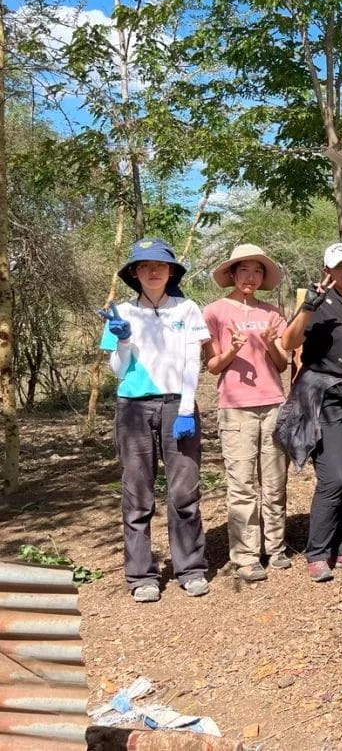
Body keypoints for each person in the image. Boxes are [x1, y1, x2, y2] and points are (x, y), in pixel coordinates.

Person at [98, 238, 211, 602]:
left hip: (179, 405)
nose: (152, 271)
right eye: (144, 266)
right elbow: (118, 372)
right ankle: (141, 576)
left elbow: (194, 362)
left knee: (184, 491)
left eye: (159, 265)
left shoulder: (188, 309)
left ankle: (191, 568)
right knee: (137, 493)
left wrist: (185, 410)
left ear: (170, 271)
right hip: (133, 408)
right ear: (134, 272)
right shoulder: (122, 313)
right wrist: (124, 341)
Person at [276, 242, 342, 582]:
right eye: (339, 265)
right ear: (326, 270)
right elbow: (288, 343)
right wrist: (307, 308)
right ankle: (317, 552)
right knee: (334, 475)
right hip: (323, 397)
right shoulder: (316, 302)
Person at [203, 244, 290, 583]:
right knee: (241, 485)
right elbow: (212, 366)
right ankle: (245, 556)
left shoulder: (272, 313)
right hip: (235, 408)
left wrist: (269, 343)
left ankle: (277, 547)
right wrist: (232, 351)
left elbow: (282, 363)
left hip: (272, 403)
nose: (250, 277)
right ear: (233, 275)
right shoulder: (214, 312)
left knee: (274, 481)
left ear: (263, 277)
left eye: (257, 271)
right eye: (244, 271)